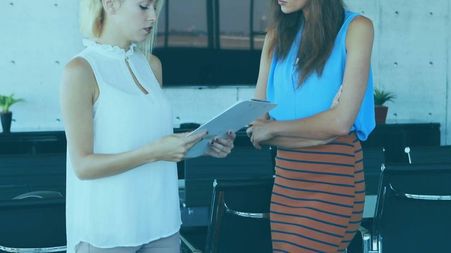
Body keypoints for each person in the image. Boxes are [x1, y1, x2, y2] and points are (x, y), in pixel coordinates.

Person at [60, 0, 235, 252]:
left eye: (155, 8)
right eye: (143, 6)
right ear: (110, 4)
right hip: (109, 231)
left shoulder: (151, 65)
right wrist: (154, 151)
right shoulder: (80, 70)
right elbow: (83, 166)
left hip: (161, 223)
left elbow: (148, 139)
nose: (153, 17)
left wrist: (201, 146)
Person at [246, 0, 375, 252]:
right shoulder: (275, 37)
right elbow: (256, 128)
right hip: (286, 179)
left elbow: (340, 123)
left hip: (333, 178)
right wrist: (320, 132)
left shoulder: (357, 29)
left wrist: (274, 129)